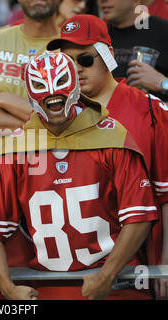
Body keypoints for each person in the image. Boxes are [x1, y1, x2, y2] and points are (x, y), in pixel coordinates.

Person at [0, 51, 158, 300]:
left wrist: (107, 276)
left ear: (75, 86)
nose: (52, 96)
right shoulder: (16, 149)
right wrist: (7, 287)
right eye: (41, 88)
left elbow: (139, 215)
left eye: (59, 85)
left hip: (117, 284)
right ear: (29, 92)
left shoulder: (112, 137)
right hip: (47, 286)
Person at [47, 14, 168, 299]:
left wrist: (164, 264)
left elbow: (166, 196)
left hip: (137, 272)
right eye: (67, 62)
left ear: (109, 55)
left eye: (86, 59)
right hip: (73, 274)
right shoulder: (54, 115)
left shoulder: (150, 111)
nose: (76, 69)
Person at [0, 0, 61, 134]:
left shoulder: (70, 47)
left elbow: (61, 117)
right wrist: (41, 128)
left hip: (49, 152)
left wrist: (2, 99)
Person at [98, 0, 168, 102]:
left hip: (155, 115)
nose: (103, 1)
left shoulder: (164, 32)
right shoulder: (98, 36)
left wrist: (162, 83)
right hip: (107, 114)